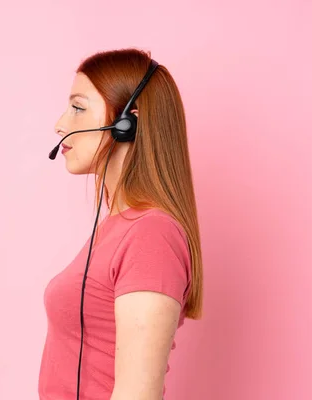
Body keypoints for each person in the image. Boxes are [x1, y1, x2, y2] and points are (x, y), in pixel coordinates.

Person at [38, 48, 204, 400]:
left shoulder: (152, 235)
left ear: (127, 123)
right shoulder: (115, 228)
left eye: (78, 108)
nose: (61, 124)